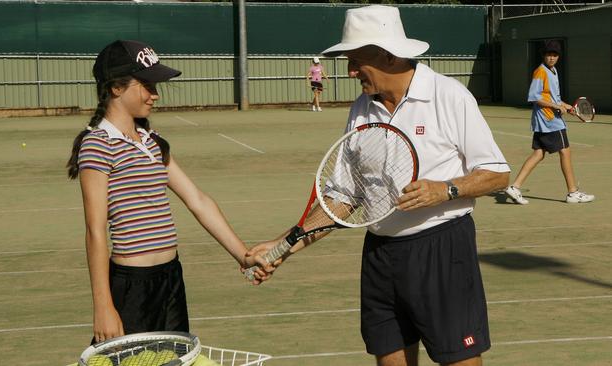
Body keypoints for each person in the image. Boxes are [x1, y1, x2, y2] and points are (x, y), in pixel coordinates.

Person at [246, 6, 510, 366]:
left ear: (388, 55)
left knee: (458, 360)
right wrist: (282, 246)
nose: (351, 70)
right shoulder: (361, 109)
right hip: (380, 256)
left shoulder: (449, 95)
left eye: (356, 60)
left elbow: (497, 173)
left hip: (442, 250)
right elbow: (343, 198)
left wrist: (445, 189)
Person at [66, 40, 259, 343]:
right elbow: (95, 229)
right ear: (116, 87)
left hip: (170, 280)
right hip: (132, 287)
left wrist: (242, 254)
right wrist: (103, 306)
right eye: (147, 85)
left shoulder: (152, 141)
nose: (155, 94)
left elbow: (198, 201)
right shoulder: (98, 144)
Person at [504, 40, 594, 205]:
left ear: (558, 57)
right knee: (565, 152)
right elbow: (534, 97)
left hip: (545, 120)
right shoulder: (541, 72)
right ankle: (573, 192)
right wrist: (555, 107)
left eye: (554, 55)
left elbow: (554, 98)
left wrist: (566, 106)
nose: (551, 58)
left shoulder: (553, 71)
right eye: (548, 55)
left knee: (538, 154)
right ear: (543, 56)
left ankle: (515, 187)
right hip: (550, 120)